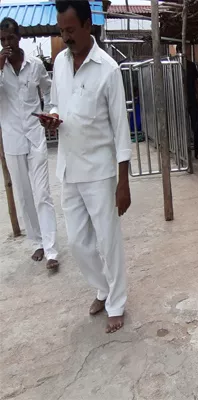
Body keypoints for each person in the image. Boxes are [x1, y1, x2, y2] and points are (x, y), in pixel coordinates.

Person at [41, 0, 132, 333]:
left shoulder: (108, 69)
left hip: (100, 171)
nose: (65, 37)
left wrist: (124, 182)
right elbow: (56, 102)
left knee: (108, 240)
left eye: (70, 30)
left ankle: (116, 303)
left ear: (88, 25)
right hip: (68, 167)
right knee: (78, 243)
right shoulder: (61, 63)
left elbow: (121, 128)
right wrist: (51, 118)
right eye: (61, 30)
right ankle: (103, 289)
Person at [0, 17, 59, 270]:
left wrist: (49, 111)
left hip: (35, 137)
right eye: (2, 40)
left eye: (10, 38)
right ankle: (36, 243)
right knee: (23, 195)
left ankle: (52, 250)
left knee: (42, 192)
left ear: (19, 37)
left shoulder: (35, 65)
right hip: (12, 139)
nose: (6, 44)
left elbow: (48, 91)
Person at [177, 44, 198, 161]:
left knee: (196, 127)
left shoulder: (191, 66)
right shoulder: (175, 66)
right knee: (180, 127)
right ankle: (182, 154)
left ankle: (197, 152)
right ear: (179, 51)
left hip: (192, 99)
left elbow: (196, 83)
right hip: (179, 100)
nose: (187, 51)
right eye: (184, 49)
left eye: (187, 49)